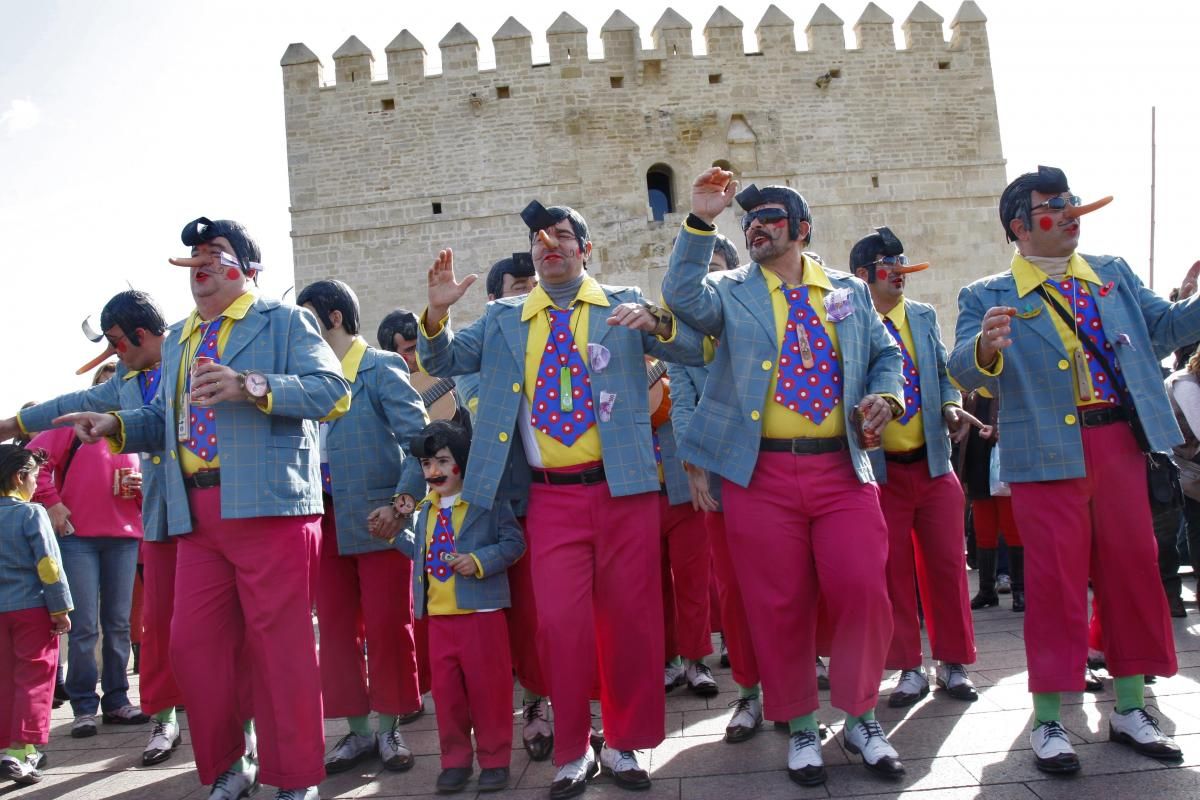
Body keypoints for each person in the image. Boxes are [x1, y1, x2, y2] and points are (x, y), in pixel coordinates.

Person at [417, 200, 705, 798]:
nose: (549, 245)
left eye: (563, 236)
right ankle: (573, 748)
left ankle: (624, 745)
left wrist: (656, 323)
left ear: (586, 249)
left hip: (622, 489)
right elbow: (442, 360)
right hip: (549, 500)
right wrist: (438, 314)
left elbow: (691, 350)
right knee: (562, 627)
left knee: (630, 623)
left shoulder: (623, 301)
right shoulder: (503, 318)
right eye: (539, 239)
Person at [56, 216, 351, 800]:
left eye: (215, 253)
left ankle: (294, 778)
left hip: (271, 511)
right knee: (194, 648)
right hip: (197, 516)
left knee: (282, 651)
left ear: (248, 267)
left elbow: (333, 390)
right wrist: (113, 424)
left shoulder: (284, 321)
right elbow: (163, 422)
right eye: (192, 256)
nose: (200, 265)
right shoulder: (183, 336)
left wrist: (254, 386)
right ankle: (226, 768)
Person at [661, 168, 906, 785]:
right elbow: (681, 296)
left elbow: (884, 356)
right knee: (779, 603)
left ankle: (860, 716)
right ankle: (800, 727)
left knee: (863, 589)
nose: (756, 227)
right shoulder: (729, 290)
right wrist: (699, 220)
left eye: (769, 217)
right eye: (748, 221)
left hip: (841, 469)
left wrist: (887, 396)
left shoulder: (846, 290)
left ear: (802, 228)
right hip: (760, 474)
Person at [948, 165, 1192, 773]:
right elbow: (962, 368)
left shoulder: (1111, 275)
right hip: (1045, 455)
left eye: (1073, 202)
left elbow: (1166, 327)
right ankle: (1050, 717)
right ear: (1020, 226)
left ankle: (1130, 707)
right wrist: (984, 347)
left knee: (1133, 570)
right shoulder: (988, 293)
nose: (1072, 214)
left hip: (1118, 442)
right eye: (1056, 207)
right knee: (1055, 581)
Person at [1, 290, 190, 765]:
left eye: (117, 343)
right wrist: (13, 423)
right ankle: (149, 717)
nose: (114, 355)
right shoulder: (127, 380)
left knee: (157, 623)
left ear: (141, 334)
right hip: (141, 524)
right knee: (126, 622)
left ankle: (204, 721)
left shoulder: (191, 356)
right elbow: (72, 404)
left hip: (186, 515)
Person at [295, 279, 428, 776]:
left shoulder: (380, 367)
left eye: (308, 317)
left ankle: (391, 728)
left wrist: (402, 504)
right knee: (332, 629)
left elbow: (420, 441)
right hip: (319, 521)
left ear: (333, 317)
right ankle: (356, 732)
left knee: (389, 626)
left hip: (380, 521)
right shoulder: (306, 377)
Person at [849, 228, 981, 708]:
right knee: (893, 572)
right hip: (881, 472)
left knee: (948, 565)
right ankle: (908, 667)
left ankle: (954, 663)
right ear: (863, 276)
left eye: (902, 260)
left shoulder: (923, 316)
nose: (900, 270)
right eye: (889, 263)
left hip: (933, 464)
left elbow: (943, 372)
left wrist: (949, 405)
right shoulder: (851, 325)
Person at [454, 254, 555, 762]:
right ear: (494, 301)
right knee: (528, 616)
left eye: (533, 286)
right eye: (519, 288)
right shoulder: (482, 347)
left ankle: (584, 706)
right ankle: (536, 702)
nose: (529, 295)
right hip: (508, 504)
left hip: (563, 493)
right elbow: (477, 403)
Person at [390, 420, 524, 793]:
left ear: (461, 462)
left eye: (443, 461)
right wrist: (394, 536)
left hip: (481, 618)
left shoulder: (486, 502)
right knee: (447, 698)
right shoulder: (425, 511)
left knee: (489, 694)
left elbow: (514, 542)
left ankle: (495, 760)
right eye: (427, 465)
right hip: (439, 621)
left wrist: (479, 560)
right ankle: (455, 760)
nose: (434, 471)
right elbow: (424, 554)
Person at [26, 362, 145, 739]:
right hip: (77, 537)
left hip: (125, 536)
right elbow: (32, 462)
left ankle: (117, 700)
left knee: (119, 623)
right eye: (105, 387)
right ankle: (82, 706)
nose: (113, 395)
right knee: (84, 626)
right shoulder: (70, 427)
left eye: (120, 388)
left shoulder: (138, 426)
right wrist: (52, 502)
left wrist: (145, 485)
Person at [0, 446, 72, 787]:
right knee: (34, 678)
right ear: (19, 478)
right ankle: (19, 751)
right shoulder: (31, 514)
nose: (36, 484)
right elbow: (48, 564)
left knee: (5, 679)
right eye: (34, 477)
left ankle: (10, 748)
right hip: (30, 608)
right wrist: (60, 608)